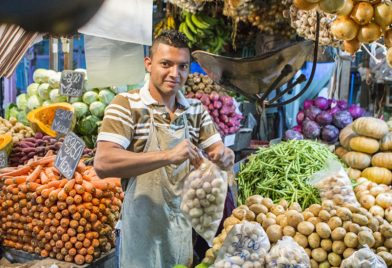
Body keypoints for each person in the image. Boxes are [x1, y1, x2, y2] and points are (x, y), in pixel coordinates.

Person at [94, 30, 234, 268]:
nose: (175, 74)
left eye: (182, 66)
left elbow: (222, 152)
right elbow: (103, 163)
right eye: (166, 64)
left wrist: (223, 156)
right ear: (148, 64)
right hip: (141, 228)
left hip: (181, 226)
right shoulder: (126, 105)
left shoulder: (195, 110)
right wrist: (168, 155)